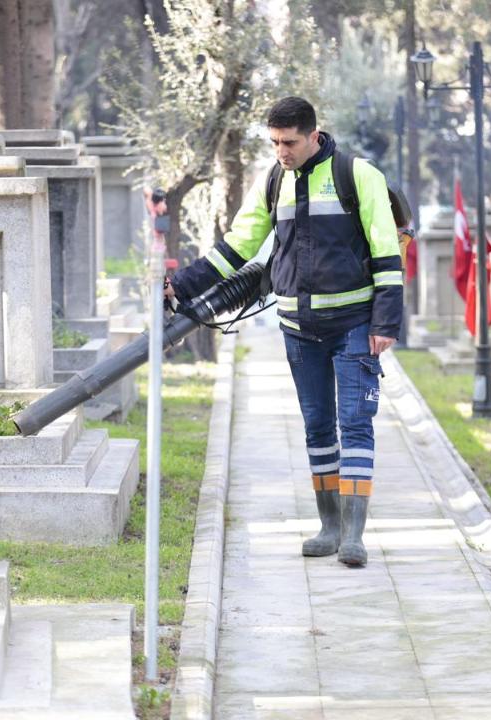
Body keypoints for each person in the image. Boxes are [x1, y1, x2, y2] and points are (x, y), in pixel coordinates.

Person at [167, 96, 402, 567]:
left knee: (355, 424)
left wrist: (385, 322)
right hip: (297, 330)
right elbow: (238, 246)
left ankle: (354, 535)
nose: (281, 151)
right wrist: (184, 283)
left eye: (289, 142)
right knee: (317, 428)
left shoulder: (358, 176)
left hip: (355, 326)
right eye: (274, 142)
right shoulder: (274, 181)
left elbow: (386, 252)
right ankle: (329, 526)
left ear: (314, 136)